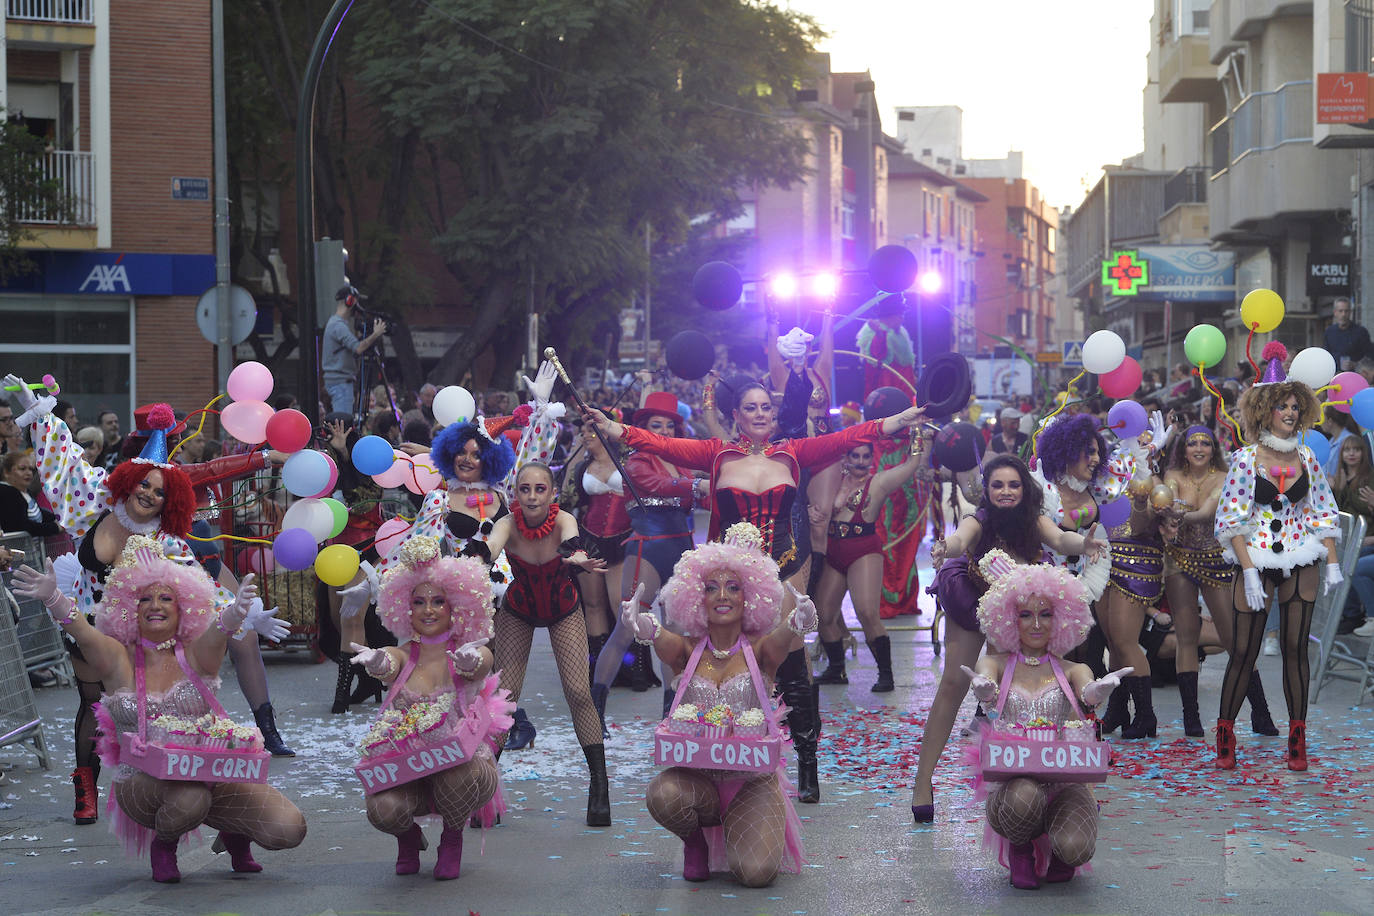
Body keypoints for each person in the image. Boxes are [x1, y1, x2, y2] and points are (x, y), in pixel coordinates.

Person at [583, 380, 928, 803]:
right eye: (751, 407)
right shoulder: (717, 453)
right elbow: (664, 443)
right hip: (729, 573)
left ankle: (806, 760)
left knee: (791, 658)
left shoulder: (794, 452)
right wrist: (615, 429)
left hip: (781, 564)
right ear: (737, 415)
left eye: (766, 406)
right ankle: (697, 750)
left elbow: (848, 437)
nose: (761, 413)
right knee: (705, 659)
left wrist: (899, 420)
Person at [8, 382, 291, 823]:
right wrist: (43, 417)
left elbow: (197, 585)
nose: (149, 495)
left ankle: (161, 790)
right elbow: (64, 467)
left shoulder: (166, 537)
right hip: (87, 622)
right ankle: (85, 788)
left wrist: (242, 612)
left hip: (139, 635)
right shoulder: (97, 498)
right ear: (129, 481)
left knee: (142, 710)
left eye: (160, 491)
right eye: (144, 484)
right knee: (92, 703)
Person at [11, 539, 306, 883]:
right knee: (189, 798)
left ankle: (233, 833)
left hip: (211, 774)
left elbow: (220, 630)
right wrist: (53, 599)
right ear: (128, 608)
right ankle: (164, 845)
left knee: (288, 828)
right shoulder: (117, 657)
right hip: (144, 783)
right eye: (144, 598)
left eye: (166, 597)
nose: (155, 605)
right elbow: (83, 632)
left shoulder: (197, 653)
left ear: (183, 607)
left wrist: (236, 610)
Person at [913, 454, 1106, 823]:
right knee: (954, 681)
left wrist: (1083, 545)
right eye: (997, 484)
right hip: (973, 595)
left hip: (1019, 605)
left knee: (1029, 688)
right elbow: (960, 538)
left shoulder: (1035, 519)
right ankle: (923, 781)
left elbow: (1060, 539)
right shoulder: (979, 518)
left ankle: (1063, 783)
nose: (1005, 491)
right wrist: (945, 547)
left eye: (1013, 484)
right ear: (987, 489)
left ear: (1025, 488)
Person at [626, 522, 810, 887]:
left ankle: (744, 824)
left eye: (733, 587)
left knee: (756, 875)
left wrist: (799, 620)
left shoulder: (761, 650)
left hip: (751, 782)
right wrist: (643, 623)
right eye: (711, 587)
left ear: (749, 597)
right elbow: (657, 635)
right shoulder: (685, 650)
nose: (722, 595)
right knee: (661, 794)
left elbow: (785, 636)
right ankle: (694, 842)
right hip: (698, 782)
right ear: (697, 597)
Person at [1213, 343, 1342, 770]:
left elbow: (1322, 510)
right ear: (1264, 410)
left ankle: (1297, 738)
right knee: (1244, 651)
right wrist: (1249, 572)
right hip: (1255, 558)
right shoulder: (1246, 459)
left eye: (1294, 406)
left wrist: (1334, 559)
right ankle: (1226, 732)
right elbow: (1231, 518)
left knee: (1295, 649)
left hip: (1300, 555)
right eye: (1281, 406)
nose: (1289, 413)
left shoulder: (1307, 456)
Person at [349, 539, 509, 880]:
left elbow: (481, 663)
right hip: (410, 767)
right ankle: (407, 838)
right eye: (418, 601)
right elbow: (390, 661)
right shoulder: (405, 652)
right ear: (405, 608)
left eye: (439, 601)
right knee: (382, 808)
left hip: (460, 767)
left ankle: (451, 840)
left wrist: (471, 661)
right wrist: (378, 662)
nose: (429, 610)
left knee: (459, 776)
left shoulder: (469, 650)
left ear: (457, 606)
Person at [964, 560, 1127, 890]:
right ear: (1010, 619)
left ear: (1061, 619)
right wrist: (984, 689)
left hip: (1065, 783)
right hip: (1013, 784)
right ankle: (1020, 850)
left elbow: (1087, 689)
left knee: (1075, 847)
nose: (1036, 624)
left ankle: (1060, 854)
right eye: (1025, 614)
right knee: (1023, 797)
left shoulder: (1073, 667)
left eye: (1046, 614)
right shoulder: (994, 662)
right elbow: (985, 677)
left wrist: (1097, 690)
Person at [481, 463, 610, 824]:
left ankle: (599, 786)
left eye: (540, 489)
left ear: (552, 493)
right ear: (515, 494)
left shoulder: (563, 519)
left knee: (579, 693)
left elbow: (571, 542)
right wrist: (476, 557)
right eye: (525, 489)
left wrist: (578, 556)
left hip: (563, 607)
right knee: (503, 700)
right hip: (519, 608)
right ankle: (481, 791)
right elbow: (491, 549)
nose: (533, 496)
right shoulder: (507, 523)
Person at [593, 391, 705, 727]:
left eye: (670, 425)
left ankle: (670, 714)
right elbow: (658, 485)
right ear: (642, 427)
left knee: (673, 634)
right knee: (627, 629)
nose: (664, 431)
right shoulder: (636, 462)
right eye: (657, 425)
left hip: (683, 552)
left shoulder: (683, 460)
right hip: (648, 550)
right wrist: (698, 484)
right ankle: (593, 710)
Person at [1162, 425, 1279, 739]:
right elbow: (1166, 499)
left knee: (1234, 639)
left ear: (1213, 448)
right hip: (1177, 561)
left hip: (1214, 562)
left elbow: (1204, 514)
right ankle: (1191, 717)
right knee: (1186, 636)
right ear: (1183, 449)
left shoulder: (1223, 477)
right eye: (1192, 443)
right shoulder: (1173, 475)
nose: (1199, 448)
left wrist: (1175, 514)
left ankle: (1260, 711)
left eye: (1205, 443)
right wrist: (1166, 510)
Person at [811, 440, 924, 692]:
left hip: (864, 550)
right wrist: (812, 512)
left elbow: (912, 464)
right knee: (823, 614)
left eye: (866, 456)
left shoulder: (879, 482)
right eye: (855, 456)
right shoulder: (831, 480)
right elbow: (809, 500)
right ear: (845, 457)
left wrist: (917, 435)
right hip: (833, 549)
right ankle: (836, 669)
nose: (861, 462)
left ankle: (886, 675)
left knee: (867, 612)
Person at [1328, 433, 1374, 636]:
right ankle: (1348, 614)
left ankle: (1358, 614)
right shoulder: (1339, 477)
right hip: (1349, 540)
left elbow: (1363, 509)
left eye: (1356, 449)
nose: (1352, 453)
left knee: (1350, 565)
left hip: (1368, 538)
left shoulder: (1369, 478)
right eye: (1347, 450)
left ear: (1364, 453)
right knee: (1334, 563)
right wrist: (1334, 490)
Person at [322, 285, 388, 418]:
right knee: (343, 422)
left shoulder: (337, 324)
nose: (358, 305)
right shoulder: (338, 325)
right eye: (356, 301)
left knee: (342, 421)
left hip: (340, 382)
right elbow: (358, 348)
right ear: (350, 300)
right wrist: (376, 334)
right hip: (341, 382)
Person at [857, 295, 915, 395]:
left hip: (904, 393)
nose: (902, 318)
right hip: (885, 396)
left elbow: (907, 366)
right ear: (889, 315)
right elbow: (878, 356)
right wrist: (879, 334)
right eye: (900, 314)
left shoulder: (901, 334)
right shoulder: (872, 332)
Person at [0, 450, 60, 536]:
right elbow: (22, 526)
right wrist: (54, 527)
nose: (28, 473)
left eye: (31, 469)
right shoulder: (7, 494)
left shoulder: (25, 491)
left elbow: (38, 512)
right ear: (6, 472)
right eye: (22, 469)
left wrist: (58, 518)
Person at [1323, 297, 1374, 370]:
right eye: (1340, 311)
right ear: (1335, 312)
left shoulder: (1361, 332)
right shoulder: (1329, 332)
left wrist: (1356, 365)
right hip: (1334, 375)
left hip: (1355, 375)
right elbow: (1326, 355)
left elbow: (1370, 355)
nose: (1343, 314)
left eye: (1346, 311)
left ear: (1350, 312)